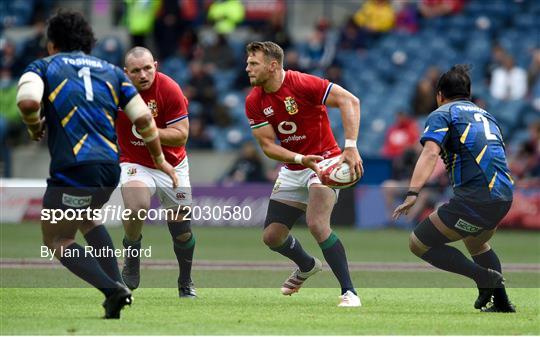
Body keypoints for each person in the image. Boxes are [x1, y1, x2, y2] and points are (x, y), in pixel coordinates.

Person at [16, 10, 178, 318]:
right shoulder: (111, 71)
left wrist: (33, 124)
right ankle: (118, 285)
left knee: (57, 238)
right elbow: (144, 118)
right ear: (88, 43)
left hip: (75, 168)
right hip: (109, 167)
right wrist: (160, 160)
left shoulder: (43, 66)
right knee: (87, 218)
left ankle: (112, 290)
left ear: (52, 45)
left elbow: (26, 101)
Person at [244, 41, 363, 307]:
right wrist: (299, 159)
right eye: (248, 63)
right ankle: (307, 265)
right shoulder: (254, 100)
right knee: (272, 237)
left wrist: (351, 147)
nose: (247, 68)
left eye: (254, 63)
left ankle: (350, 292)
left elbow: (349, 100)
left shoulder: (302, 83)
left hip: (325, 162)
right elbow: (267, 146)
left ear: (272, 65)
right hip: (295, 165)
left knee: (317, 224)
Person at [393, 65, 516, 313]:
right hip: (503, 197)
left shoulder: (443, 113)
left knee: (418, 243)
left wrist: (412, 193)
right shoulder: (487, 116)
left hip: (475, 199)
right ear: (468, 93)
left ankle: (482, 277)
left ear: (439, 95)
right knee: (476, 243)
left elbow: (430, 153)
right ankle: (501, 302)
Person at [115, 47, 195, 298]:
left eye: (148, 68)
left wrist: (149, 130)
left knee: (181, 231)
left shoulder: (169, 88)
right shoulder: (115, 92)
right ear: (126, 73)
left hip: (172, 164)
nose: (143, 74)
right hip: (135, 162)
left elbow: (182, 135)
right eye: (136, 70)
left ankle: (185, 280)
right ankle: (132, 250)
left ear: (156, 66)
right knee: (137, 207)